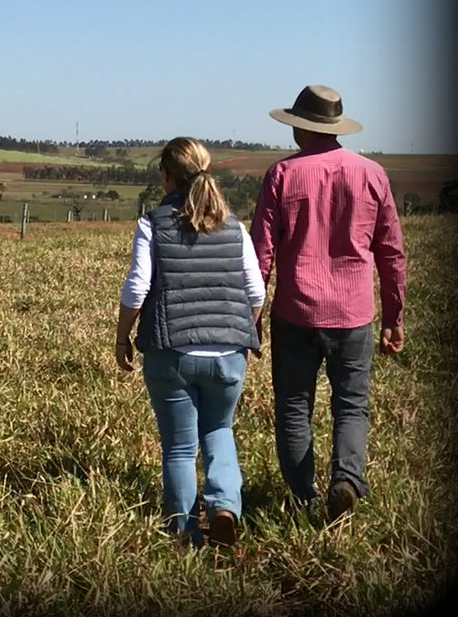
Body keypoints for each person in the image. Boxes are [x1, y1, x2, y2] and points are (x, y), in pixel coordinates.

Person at [250, 84, 405, 524]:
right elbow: (391, 251)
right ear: (336, 127)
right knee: (352, 404)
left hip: (294, 312)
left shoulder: (281, 174)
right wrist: (394, 316)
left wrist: (252, 316)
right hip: (354, 313)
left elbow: (260, 254)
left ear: (300, 127)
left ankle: (304, 497)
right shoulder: (372, 174)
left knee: (293, 405)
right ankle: (346, 477)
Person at [116, 137, 265, 548]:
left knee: (180, 450)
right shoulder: (234, 226)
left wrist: (122, 337)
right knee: (220, 430)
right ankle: (224, 508)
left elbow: (136, 289)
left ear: (166, 176)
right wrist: (239, 330)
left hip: (171, 352)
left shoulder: (153, 223)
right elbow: (256, 292)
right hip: (230, 353)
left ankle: (184, 533)